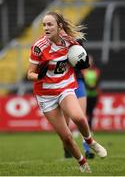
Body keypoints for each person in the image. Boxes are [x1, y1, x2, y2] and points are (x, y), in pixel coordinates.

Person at [27, 11, 107, 173]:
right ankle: (83, 164)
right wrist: (38, 76)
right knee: (66, 137)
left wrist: (83, 62)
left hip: (65, 87)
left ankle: (91, 142)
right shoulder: (38, 47)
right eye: (44, 25)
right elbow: (30, 74)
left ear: (59, 26)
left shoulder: (70, 42)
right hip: (46, 95)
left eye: (50, 24)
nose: (46, 27)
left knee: (79, 117)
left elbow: (81, 59)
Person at [84, 55, 101, 130]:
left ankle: (90, 129)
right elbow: (83, 82)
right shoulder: (83, 71)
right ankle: (83, 129)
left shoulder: (96, 71)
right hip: (85, 94)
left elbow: (98, 81)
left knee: (90, 112)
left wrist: (93, 87)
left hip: (94, 94)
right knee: (84, 112)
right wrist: (89, 86)